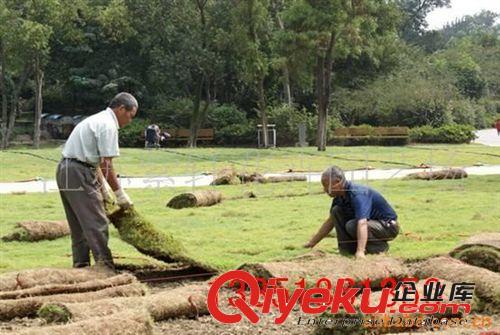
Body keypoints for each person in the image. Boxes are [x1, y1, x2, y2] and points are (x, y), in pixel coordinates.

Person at [56, 92, 138, 270]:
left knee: (79, 223)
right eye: (130, 116)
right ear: (121, 108)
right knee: (96, 222)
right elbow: (106, 164)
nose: (129, 121)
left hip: (66, 169)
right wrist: (120, 194)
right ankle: (106, 269)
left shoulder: (96, 119)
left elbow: (97, 162)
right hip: (79, 172)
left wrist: (104, 189)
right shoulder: (108, 125)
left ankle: (81, 267)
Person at [304, 166, 400, 258]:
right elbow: (330, 222)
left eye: (326, 186)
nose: (324, 190)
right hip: (370, 225)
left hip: (388, 227)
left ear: (337, 182)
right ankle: (347, 251)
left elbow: (362, 223)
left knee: (352, 225)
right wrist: (311, 243)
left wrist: (360, 251)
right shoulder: (339, 197)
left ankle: (378, 248)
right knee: (336, 211)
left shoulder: (358, 194)